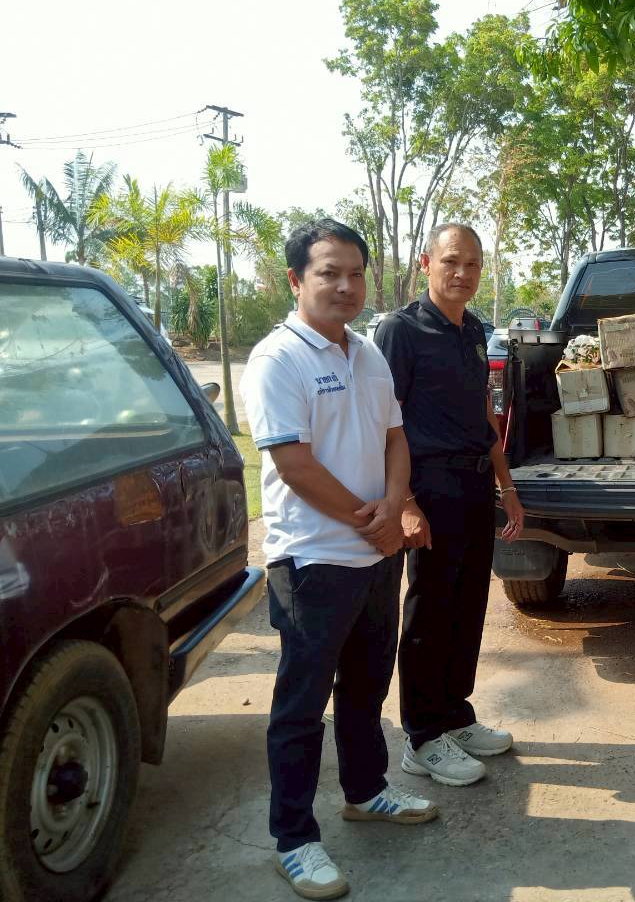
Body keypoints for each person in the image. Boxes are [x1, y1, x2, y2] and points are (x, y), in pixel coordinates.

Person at [243, 219, 437, 902]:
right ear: (296, 280)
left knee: (364, 686)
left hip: (374, 553)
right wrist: (374, 523)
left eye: (356, 272)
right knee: (300, 705)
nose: (346, 285)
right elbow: (293, 464)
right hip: (313, 559)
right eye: (329, 272)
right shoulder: (278, 359)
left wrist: (393, 505)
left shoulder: (368, 352)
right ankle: (293, 840)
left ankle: (367, 792)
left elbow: (394, 438)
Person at [375, 222, 525, 786]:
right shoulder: (401, 331)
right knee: (429, 610)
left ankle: (455, 716)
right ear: (426, 264)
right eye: (451, 262)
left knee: (468, 606)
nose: (462, 274)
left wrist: (507, 487)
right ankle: (421, 736)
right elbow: (384, 422)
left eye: (472, 265)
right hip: (427, 485)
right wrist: (405, 500)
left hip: (472, 485)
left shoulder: (475, 332)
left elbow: (484, 418)